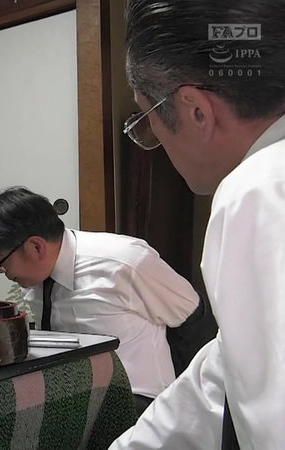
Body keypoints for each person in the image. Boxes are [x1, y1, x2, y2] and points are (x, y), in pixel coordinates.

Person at [112, 1, 285, 447]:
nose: (155, 139)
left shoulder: (258, 189)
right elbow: (223, 376)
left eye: (147, 119)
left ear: (195, 111)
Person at [0, 186, 200, 415]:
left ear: (36, 247)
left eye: (0, 260)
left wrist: (182, 400)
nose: (1, 270)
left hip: (139, 403)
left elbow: (193, 316)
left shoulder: (124, 261)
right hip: (76, 401)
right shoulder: (35, 279)